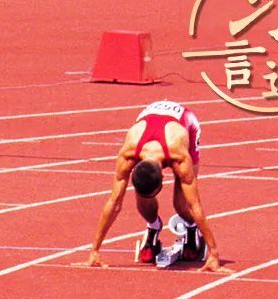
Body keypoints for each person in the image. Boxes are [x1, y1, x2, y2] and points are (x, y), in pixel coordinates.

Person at [88, 100, 221, 272]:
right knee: (143, 199)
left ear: (163, 179)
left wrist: (213, 253)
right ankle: (153, 226)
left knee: (181, 204)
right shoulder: (128, 154)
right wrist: (95, 250)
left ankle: (192, 228)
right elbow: (114, 203)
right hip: (148, 124)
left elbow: (194, 204)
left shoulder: (179, 156)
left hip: (185, 124)